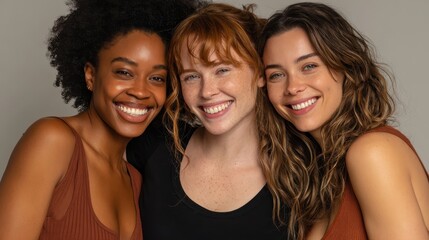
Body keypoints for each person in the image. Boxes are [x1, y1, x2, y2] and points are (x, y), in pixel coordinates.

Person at [0, 0, 202, 239]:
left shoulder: (135, 180)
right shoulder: (52, 141)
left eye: (157, 78)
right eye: (124, 72)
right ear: (91, 75)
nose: (140, 91)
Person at [258, 2, 429, 240]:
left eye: (309, 66)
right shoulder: (321, 175)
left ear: (345, 67)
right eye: (276, 75)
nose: (293, 87)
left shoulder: (372, 152)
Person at [126, 3, 289, 239]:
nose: (207, 91)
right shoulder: (155, 146)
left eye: (222, 70)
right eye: (191, 76)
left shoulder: (300, 171)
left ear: (260, 73)